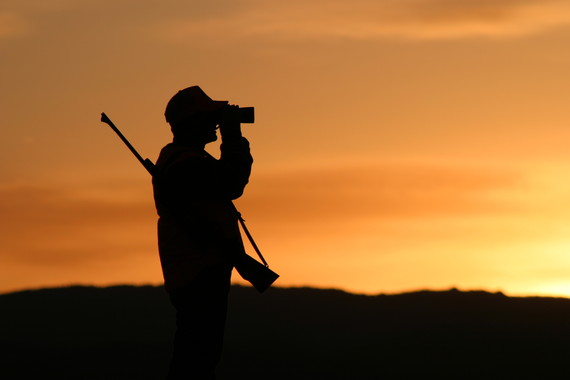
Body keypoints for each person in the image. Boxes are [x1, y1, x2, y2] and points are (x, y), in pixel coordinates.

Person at [152, 86, 253, 379]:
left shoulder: (185, 159)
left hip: (199, 268)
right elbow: (232, 183)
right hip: (198, 271)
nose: (215, 121)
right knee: (197, 356)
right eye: (209, 116)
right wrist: (233, 136)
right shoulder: (185, 164)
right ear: (191, 122)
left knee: (200, 354)